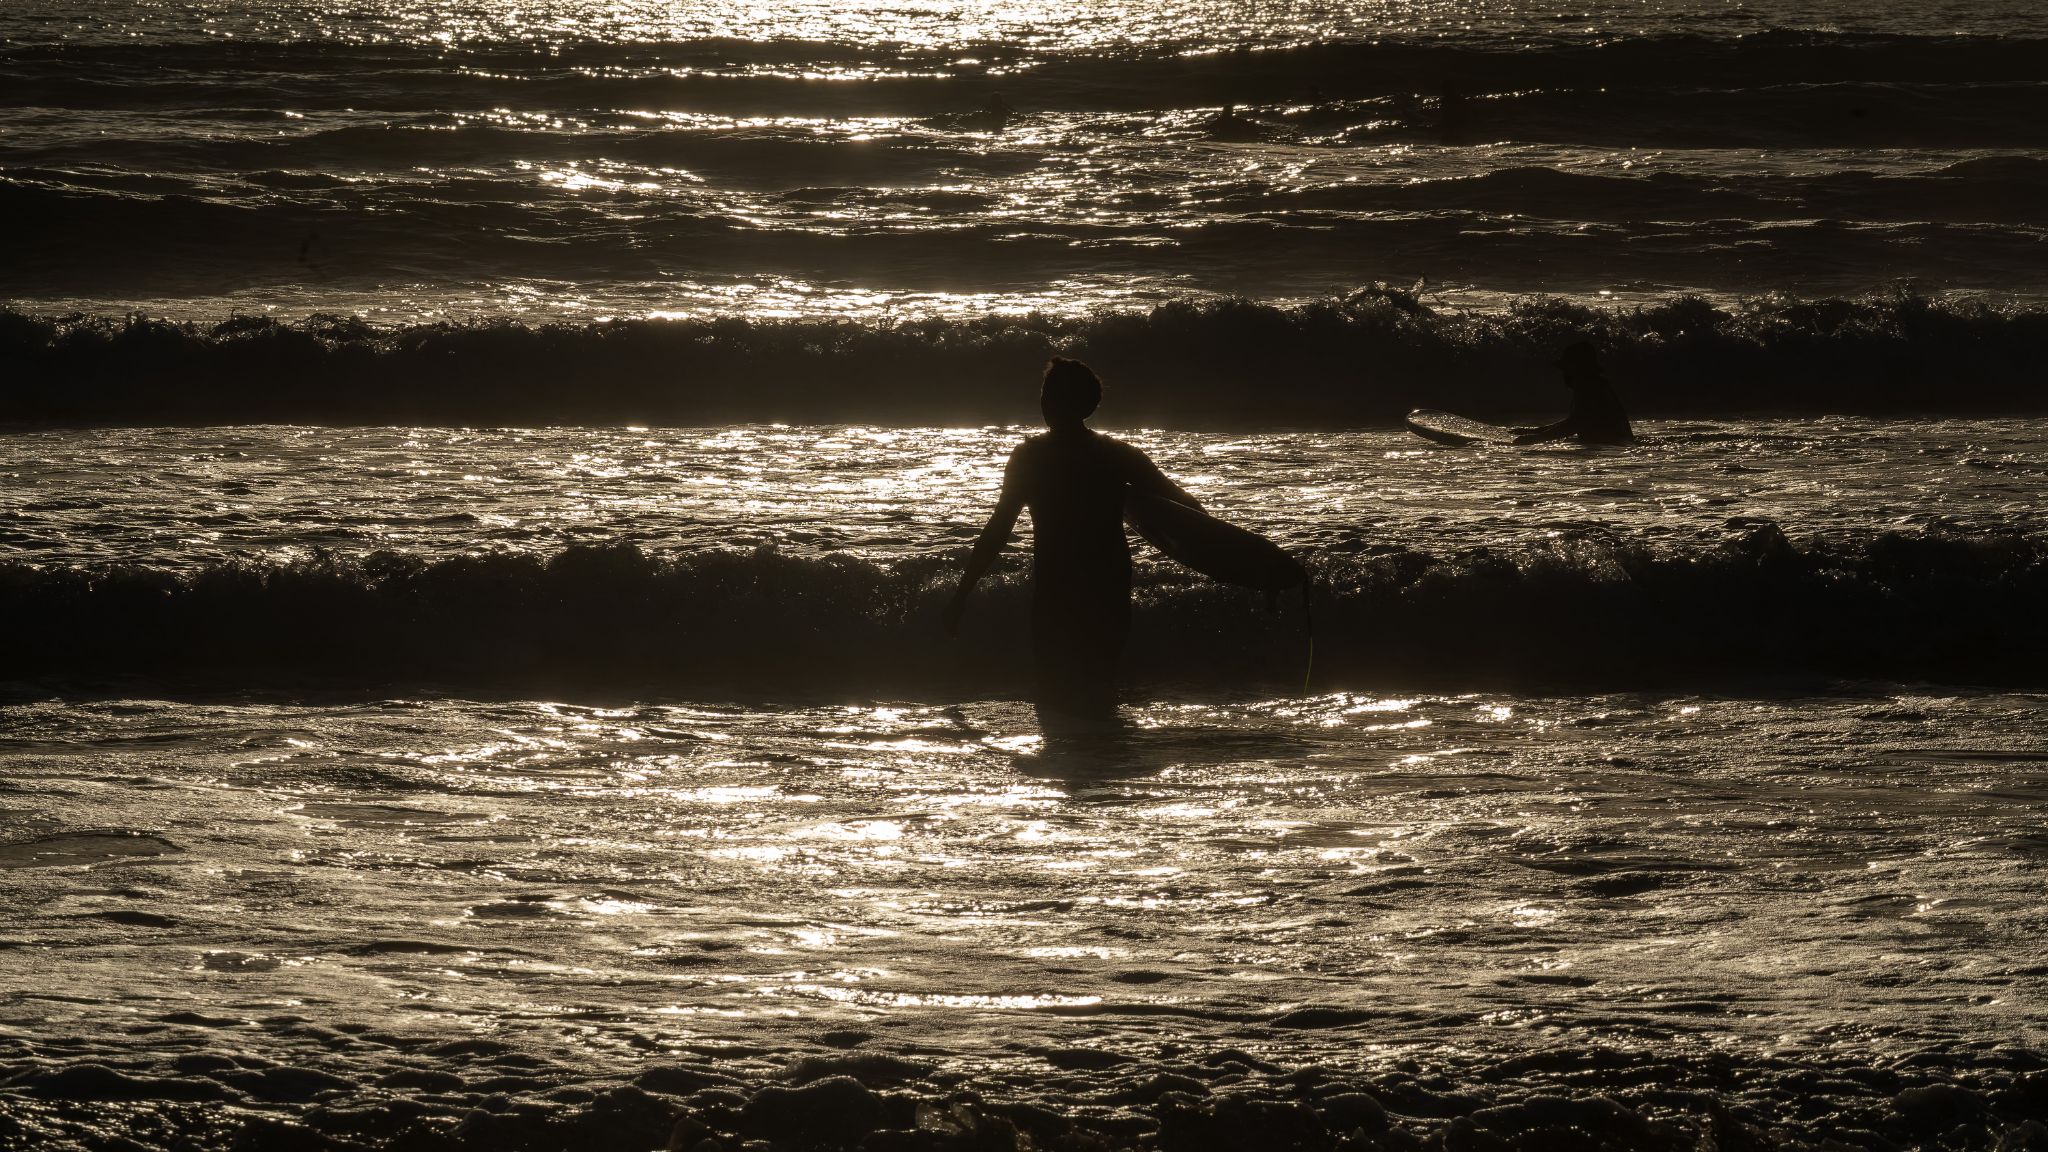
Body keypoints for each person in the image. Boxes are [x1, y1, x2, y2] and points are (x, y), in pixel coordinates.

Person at [942, 358, 1203, 722]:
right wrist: (961, 594)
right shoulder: (1109, 455)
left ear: (1083, 404)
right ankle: (1089, 763)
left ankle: (1083, 764)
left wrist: (961, 596)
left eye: (1056, 396)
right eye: (1045, 394)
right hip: (1072, 587)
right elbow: (999, 529)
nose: (1047, 404)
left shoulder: (1038, 457)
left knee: (1076, 690)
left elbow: (1184, 507)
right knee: (1075, 689)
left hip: (1091, 588)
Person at [1513, 341, 1634, 445]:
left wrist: (1535, 438)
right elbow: (1576, 420)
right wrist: (1537, 431)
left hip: (1614, 444)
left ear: (1576, 367)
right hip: (1616, 443)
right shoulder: (1596, 384)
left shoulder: (1590, 387)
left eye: (1567, 368)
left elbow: (1575, 424)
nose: (1564, 374)